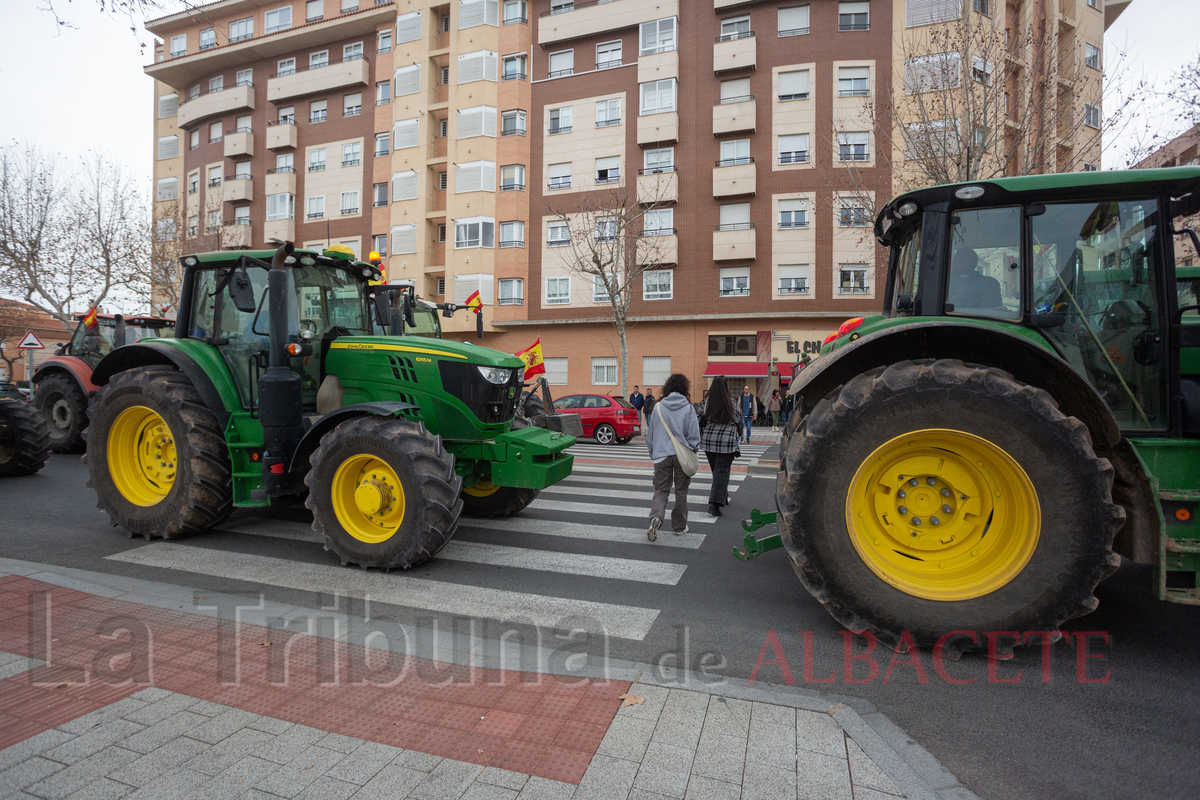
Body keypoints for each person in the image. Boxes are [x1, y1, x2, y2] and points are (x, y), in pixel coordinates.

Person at [646, 373, 701, 538]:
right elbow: (693, 435)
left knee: (661, 490)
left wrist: (652, 452)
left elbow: (651, 434)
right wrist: (693, 449)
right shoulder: (688, 408)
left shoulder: (658, 407)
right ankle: (679, 527)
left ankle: (656, 517)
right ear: (684, 388)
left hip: (662, 455)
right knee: (681, 491)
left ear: (667, 387)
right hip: (681, 455)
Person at [699, 378, 739, 517]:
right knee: (721, 471)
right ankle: (715, 503)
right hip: (727, 441)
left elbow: (701, 421)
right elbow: (739, 420)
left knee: (717, 470)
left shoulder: (706, 403)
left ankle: (723, 495)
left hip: (709, 441)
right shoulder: (732, 403)